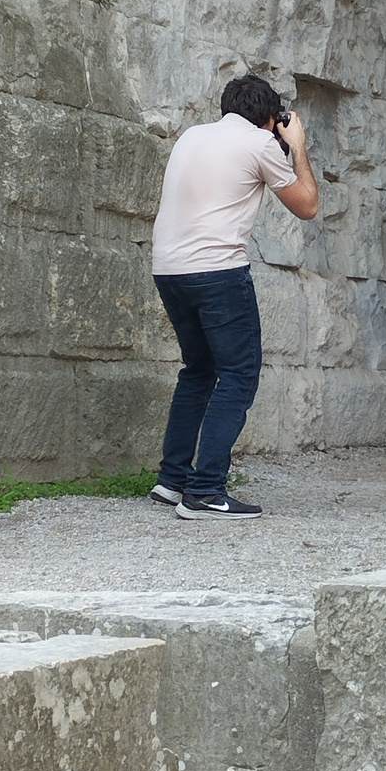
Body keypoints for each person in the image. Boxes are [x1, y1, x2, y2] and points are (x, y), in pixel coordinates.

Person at [149, 73, 319, 519]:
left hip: (169, 269)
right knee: (239, 375)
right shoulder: (261, 143)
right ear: (270, 117)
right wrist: (296, 144)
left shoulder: (192, 135)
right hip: (217, 271)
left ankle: (172, 480)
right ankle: (205, 490)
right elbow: (307, 205)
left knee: (199, 370)